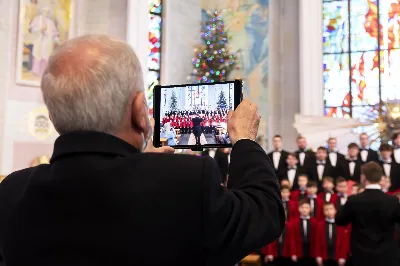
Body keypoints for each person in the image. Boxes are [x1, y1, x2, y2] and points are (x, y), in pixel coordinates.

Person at [0, 35, 285, 266]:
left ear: (53, 116)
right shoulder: (185, 182)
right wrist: (245, 139)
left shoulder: (12, 192)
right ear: (139, 112)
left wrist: (141, 164)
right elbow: (264, 212)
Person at [336, 162, 400, 266]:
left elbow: (339, 220)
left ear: (364, 176)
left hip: (361, 256)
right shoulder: (392, 201)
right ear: (380, 177)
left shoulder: (354, 200)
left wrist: (346, 202)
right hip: (386, 256)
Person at [29, 6, 59, 77]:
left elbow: (55, 34)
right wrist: (40, 29)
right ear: (41, 11)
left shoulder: (51, 22)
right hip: (39, 41)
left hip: (47, 43)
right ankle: (36, 72)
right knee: (38, 55)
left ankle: (44, 72)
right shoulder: (37, 19)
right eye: (44, 11)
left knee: (46, 56)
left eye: (47, 12)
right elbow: (32, 30)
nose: (46, 13)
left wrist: (57, 40)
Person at [288, 199, 318, 266]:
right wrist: (293, 253)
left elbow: (317, 240)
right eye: (302, 207)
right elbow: (292, 239)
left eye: (307, 208)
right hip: (299, 251)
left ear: (310, 209)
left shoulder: (315, 222)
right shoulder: (293, 222)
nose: (304, 210)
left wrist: (317, 254)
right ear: (298, 209)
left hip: (311, 251)